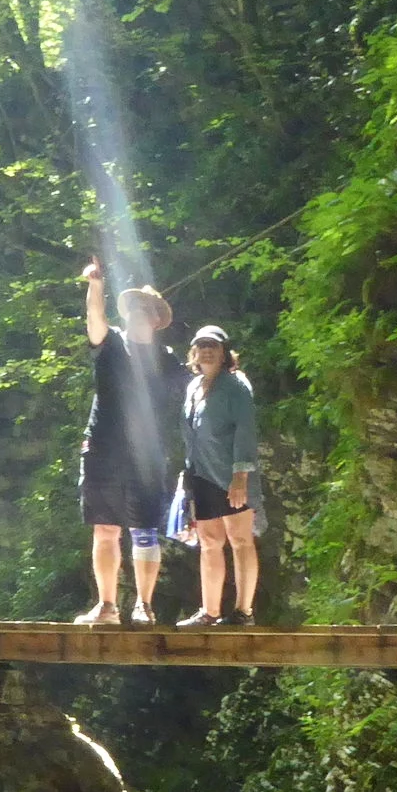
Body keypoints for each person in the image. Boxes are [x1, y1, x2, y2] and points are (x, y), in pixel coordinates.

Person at [76, 260, 184, 624]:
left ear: (156, 320)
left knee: (144, 529)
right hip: (102, 450)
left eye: (146, 309)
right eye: (135, 306)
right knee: (104, 528)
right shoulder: (110, 344)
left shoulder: (167, 361)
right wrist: (95, 285)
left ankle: (144, 605)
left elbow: (194, 388)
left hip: (146, 457)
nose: (139, 312)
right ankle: (107, 606)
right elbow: (94, 318)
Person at [175, 323, 259, 627]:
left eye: (213, 346)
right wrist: (187, 478)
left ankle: (243, 612)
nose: (207, 351)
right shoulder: (193, 387)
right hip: (202, 474)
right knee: (209, 541)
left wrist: (240, 476)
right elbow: (190, 436)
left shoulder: (236, 386)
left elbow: (246, 430)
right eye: (202, 346)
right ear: (194, 353)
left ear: (224, 353)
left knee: (240, 539)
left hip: (231, 474)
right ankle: (209, 612)